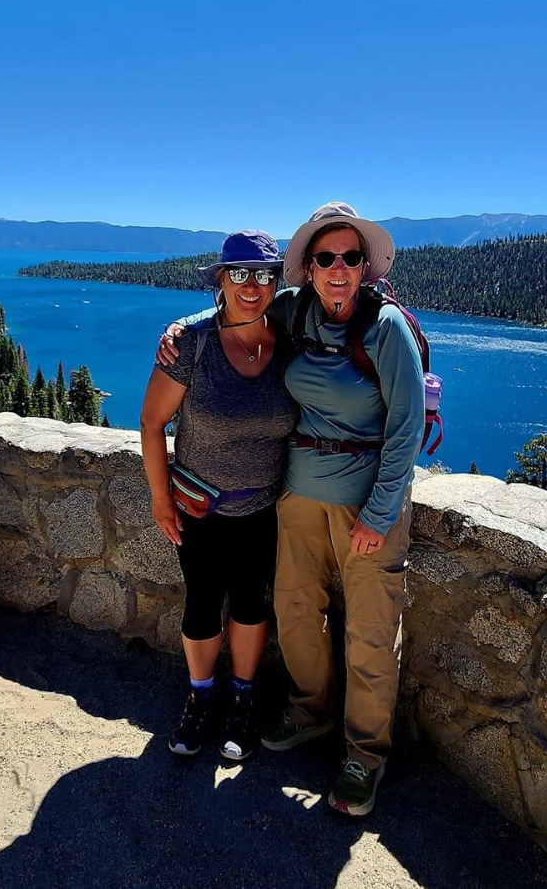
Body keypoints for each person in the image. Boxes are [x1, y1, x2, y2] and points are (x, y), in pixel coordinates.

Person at [160, 202, 425, 816]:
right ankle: (310, 711)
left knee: (369, 630)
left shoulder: (386, 329)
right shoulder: (294, 310)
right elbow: (235, 312)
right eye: (325, 258)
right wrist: (179, 326)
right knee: (296, 610)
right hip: (299, 494)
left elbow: (406, 429)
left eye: (350, 257)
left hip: (365, 502)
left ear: (366, 267)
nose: (338, 269)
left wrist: (380, 513)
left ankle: (364, 755)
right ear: (308, 268)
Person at [139, 230, 296, 761]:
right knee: (203, 604)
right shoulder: (191, 344)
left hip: (263, 509)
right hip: (198, 508)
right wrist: (160, 498)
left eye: (264, 275)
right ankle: (200, 699)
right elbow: (152, 422)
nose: (252, 286)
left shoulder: (288, 342)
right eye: (240, 274)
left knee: (252, 606)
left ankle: (242, 701)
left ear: (275, 281)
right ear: (222, 280)